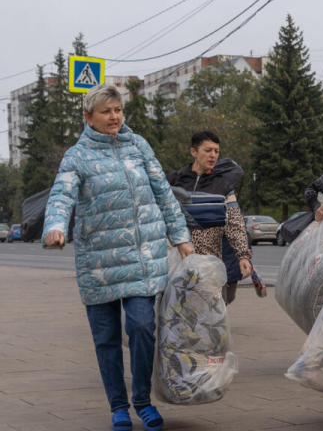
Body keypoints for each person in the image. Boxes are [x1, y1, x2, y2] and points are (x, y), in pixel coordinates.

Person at [42, 84, 194, 431]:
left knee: (142, 326)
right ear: (88, 117)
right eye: (106, 111)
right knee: (106, 339)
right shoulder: (76, 156)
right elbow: (61, 193)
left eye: (118, 110)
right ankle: (118, 407)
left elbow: (163, 193)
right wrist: (55, 226)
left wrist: (181, 237)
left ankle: (142, 400)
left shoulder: (138, 145)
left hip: (141, 256)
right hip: (97, 262)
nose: (114, 117)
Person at [167, 131, 252, 304]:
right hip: (177, 262)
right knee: (175, 315)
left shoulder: (223, 186)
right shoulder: (173, 181)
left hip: (210, 264)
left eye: (216, 151)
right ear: (193, 152)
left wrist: (243, 255)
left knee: (209, 317)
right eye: (208, 150)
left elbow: (235, 223)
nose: (213, 155)